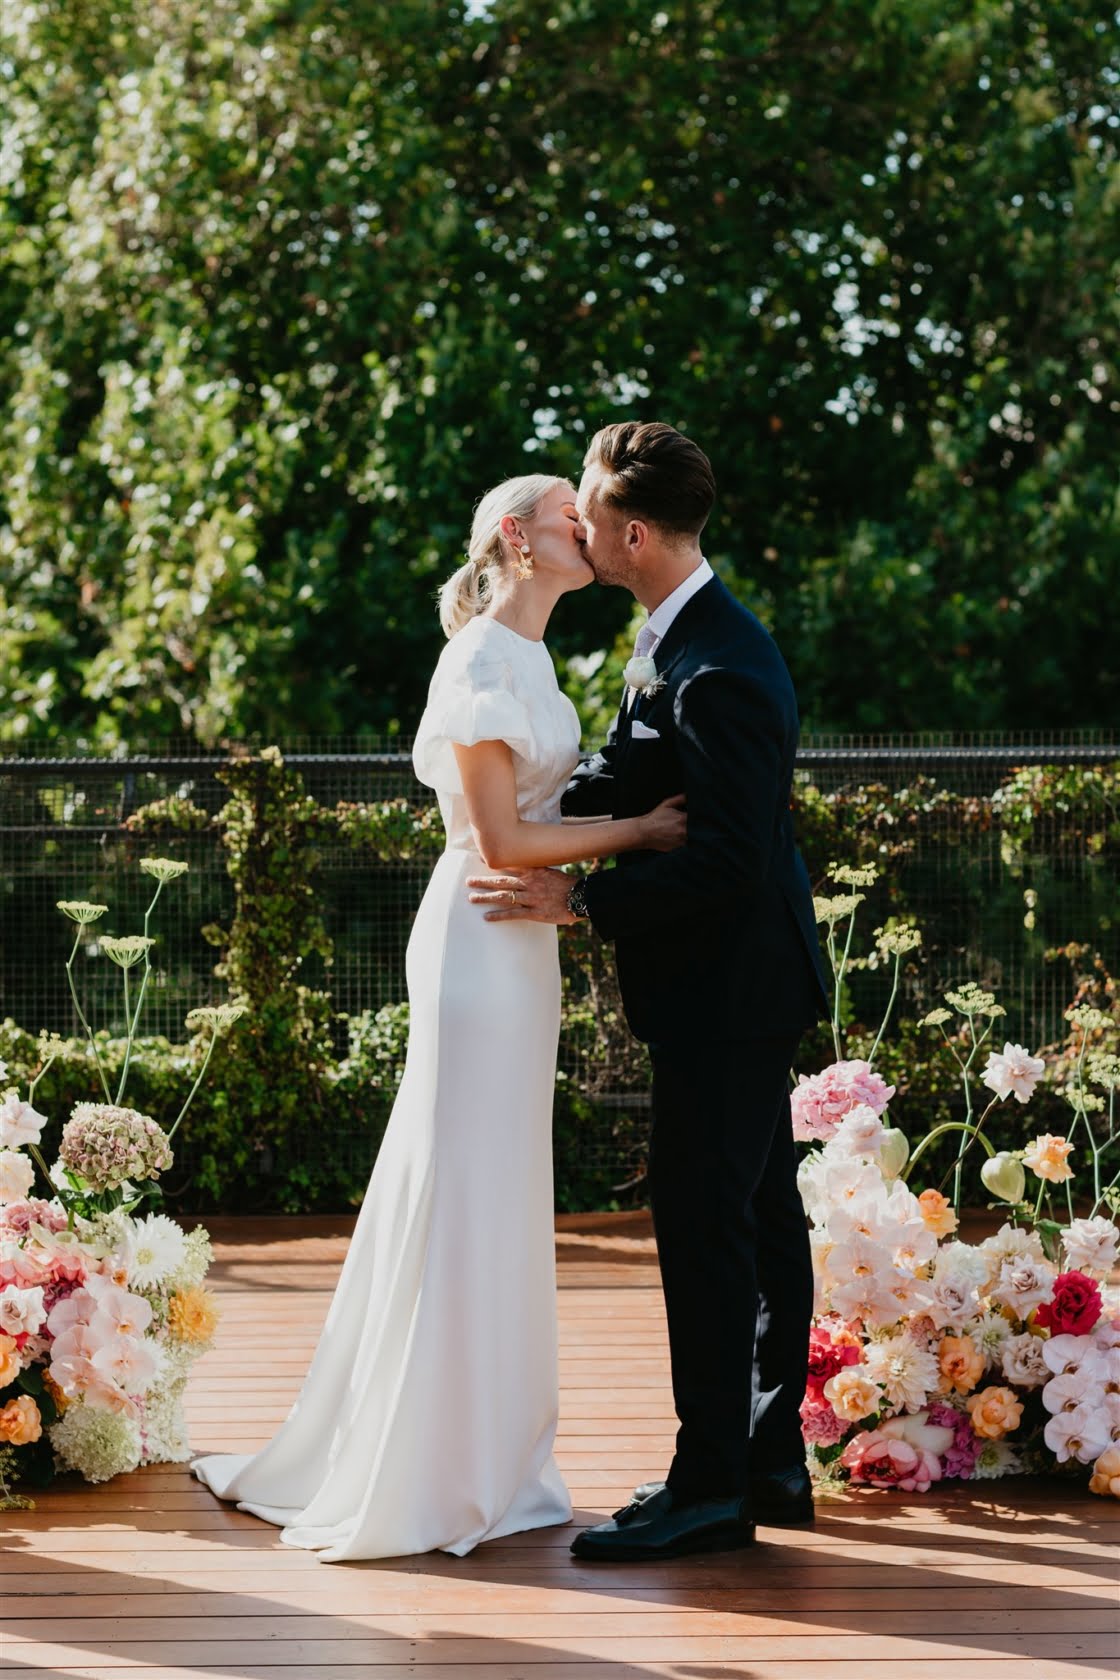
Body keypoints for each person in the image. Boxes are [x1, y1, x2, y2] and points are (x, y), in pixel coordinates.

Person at [190, 473, 686, 1562]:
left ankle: (489, 1454)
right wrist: (642, 833)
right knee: (462, 1181)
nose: (586, 524)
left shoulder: (532, 658)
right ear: (517, 536)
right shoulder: (477, 664)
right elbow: (501, 842)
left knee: (499, 1186)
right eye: (566, 513)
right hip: (478, 936)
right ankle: (427, 1464)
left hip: (522, 945)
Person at [468, 422, 829, 1562]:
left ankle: (710, 1487)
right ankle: (766, 1462)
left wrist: (577, 901)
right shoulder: (678, 639)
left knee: (707, 1230)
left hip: (730, 995)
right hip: (736, 989)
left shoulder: (719, 666)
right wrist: (531, 811)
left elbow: (724, 862)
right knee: (759, 1220)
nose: (577, 527)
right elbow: (636, 775)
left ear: (632, 536)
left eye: (588, 513)